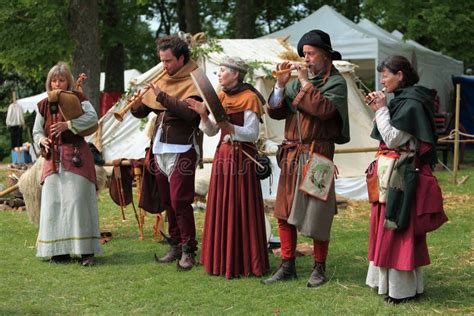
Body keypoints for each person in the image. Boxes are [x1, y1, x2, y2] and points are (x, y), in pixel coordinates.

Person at [262, 30, 350, 287]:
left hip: (318, 155)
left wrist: (302, 82)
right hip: (291, 154)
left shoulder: (336, 82)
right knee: (284, 211)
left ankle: (319, 268)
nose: (306, 59)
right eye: (304, 55)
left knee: (318, 214)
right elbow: (276, 112)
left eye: (311, 54)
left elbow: (322, 110)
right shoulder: (293, 83)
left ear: (326, 56)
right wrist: (279, 85)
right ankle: (287, 265)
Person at [365, 55, 447, 303]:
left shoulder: (411, 104)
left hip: (401, 175)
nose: (382, 80)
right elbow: (383, 132)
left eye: (386, 74)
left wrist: (381, 109)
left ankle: (402, 290)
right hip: (390, 174)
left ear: (400, 75)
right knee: (387, 226)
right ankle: (387, 284)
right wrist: (381, 109)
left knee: (398, 227)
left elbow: (392, 139)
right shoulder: (402, 100)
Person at [186, 57, 270, 279]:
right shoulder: (220, 96)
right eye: (219, 71)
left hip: (242, 158)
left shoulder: (250, 98)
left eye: (223, 71)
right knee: (223, 205)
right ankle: (222, 259)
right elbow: (213, 132)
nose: (219, 74)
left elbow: (252, 134)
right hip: (223, 157)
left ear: (235, 74)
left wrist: (229, 127)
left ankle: (244, 261)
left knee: (240, 206)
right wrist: (203, 114)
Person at [131, 35, 202, 270]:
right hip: (159, 147)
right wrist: (136, 103)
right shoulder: (164, 78)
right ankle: (175, 244)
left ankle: (189, 250)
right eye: (162, 60)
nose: (164, 65)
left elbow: (191, 115)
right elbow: (142, 112)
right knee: (168, 201)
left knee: (181, 201)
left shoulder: (195, 80)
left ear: (181, 58)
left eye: (169, 61)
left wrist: (161, 95)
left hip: (182, 149)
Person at [33, 62, 101, 266]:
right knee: (53, 204)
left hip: (77, 156)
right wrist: (41, 140)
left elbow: (92, 119)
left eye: (61, 79)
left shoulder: (78, 99)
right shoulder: (44, 104)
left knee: (77, 203)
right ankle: (58, 250)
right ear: (49, 82)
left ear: (68, 81)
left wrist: (69, 125)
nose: (57, 83)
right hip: (51, 158)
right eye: (54, 80)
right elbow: (37, 130)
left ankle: (85, 251)